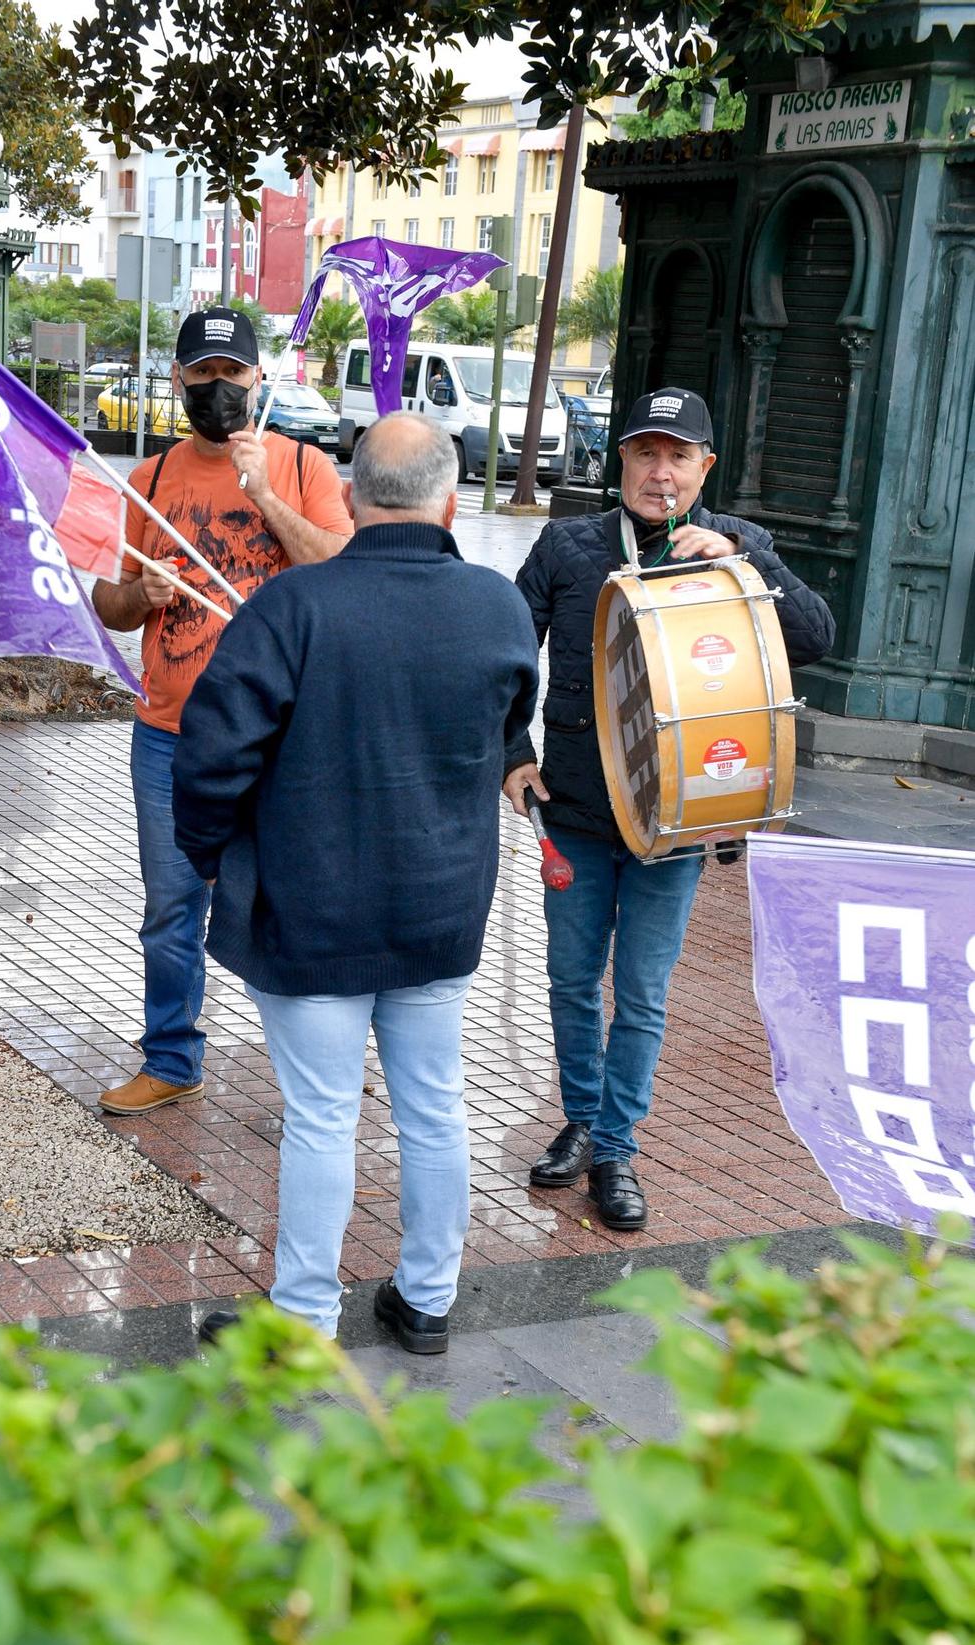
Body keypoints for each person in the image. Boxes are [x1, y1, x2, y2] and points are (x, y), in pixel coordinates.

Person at [172, 414, 539, 1353]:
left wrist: (211, 854)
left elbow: (213, 758)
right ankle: (427, 1298)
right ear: (450, 499)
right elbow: (508, 726)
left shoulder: (293, 609)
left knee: (324, 1119)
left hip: (310, 906)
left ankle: (301, 1321)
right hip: (442, 900)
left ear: (347, 496)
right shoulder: (496, 607)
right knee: (434, 1104)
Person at [504, 385, 835, 1231]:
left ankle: (616, 1149)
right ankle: (580, 1121)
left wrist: (740, 559)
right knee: (573, 981)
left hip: (676, 821)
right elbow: (503, 651)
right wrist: (512, 752)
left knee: (642, 994)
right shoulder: (570, 545)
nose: (661, 473)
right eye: (646, 453)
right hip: (575, 807)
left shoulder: (737, 545)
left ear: (704, 467)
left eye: (678, 456)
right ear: (622, 461)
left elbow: (816, 636)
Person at [92, 307, 352, 1116]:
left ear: (257, 379)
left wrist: (265, 494)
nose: (216, 391)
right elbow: (110, 604)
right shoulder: (149, 480)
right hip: (171, 736)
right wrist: (143, 592)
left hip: (285, 736)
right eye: (200, 376)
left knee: (301, 905)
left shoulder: (304, 465)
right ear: (177, 381)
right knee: (172, 906)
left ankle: (317, 1070)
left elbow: (339, 570)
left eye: (230, 376)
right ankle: (171, 1056)